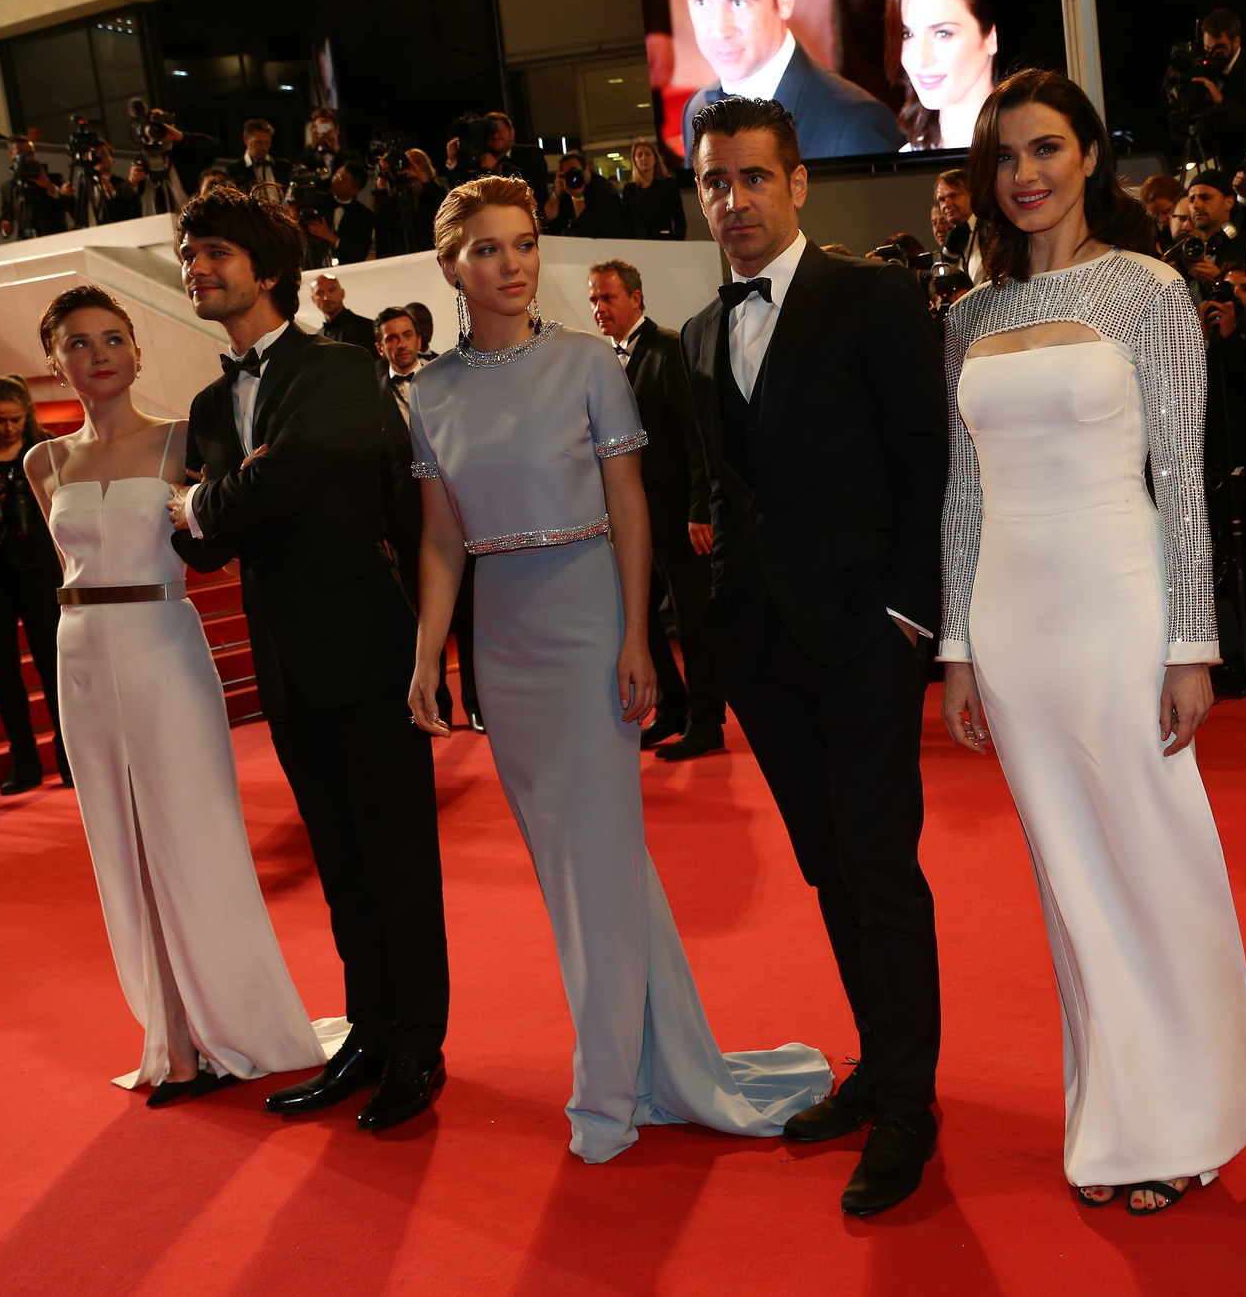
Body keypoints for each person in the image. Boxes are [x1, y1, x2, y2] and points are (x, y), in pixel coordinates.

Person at [404, 174, 830, 1161]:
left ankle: (604, 1092)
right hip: (501, 642)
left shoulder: (588, 363)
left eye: (523, 244)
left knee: (597, 860)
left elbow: (632, 505)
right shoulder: (426, 390)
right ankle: (660, 1060)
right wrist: (429, 653)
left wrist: (640, 635)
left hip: (590, 622)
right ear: (449, 265)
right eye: (488, 249)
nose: (511, 265)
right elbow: (437, 539)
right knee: (581, 872)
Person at [938, 65, 1246, 1216]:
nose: (1024, 174)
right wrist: (954, 649)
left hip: (1121, 600)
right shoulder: (968, 318)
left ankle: (1196, 1114)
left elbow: (1180, 478)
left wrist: (1193, 644)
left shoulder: (1146, 290)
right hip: (1010, 620)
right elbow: (961, 497)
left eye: (1045, 148)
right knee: (1069, 881)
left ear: (1088, 154)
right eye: (1004, 156)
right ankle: (1119, 1115)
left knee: (1154, 857)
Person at [678, 96, 946, 1214]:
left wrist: (907, 620)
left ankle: (907, 1109)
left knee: (879, 870)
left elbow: (927, 463)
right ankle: (875, 1067)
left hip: (864, 644)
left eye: (751, 178)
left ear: (797, 185)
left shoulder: (870, 298)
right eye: (714, 183)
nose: (733, 201)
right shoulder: (695, 337)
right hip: (764, 655)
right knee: (829, 870)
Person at [166, 185, 449, 1134]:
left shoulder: (336, 366)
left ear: (269, 270)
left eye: (214, 253)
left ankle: (419, 1046)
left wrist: (206, 501)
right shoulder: (211, 402)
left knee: (398, 856)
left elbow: (284, 474)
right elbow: (209, 547)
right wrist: (209, 508)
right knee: (338, 861)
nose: (197, 269)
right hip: (284, 663)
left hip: (369, 648)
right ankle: (368, 1032)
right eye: (189, 255)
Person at [24, 285, 337, 1103]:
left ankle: (229, 1017)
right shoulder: (42, 462)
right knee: (120, 843)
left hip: (163, 642)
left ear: (135, 351)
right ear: (53, 360)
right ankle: (174, 1039)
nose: (99, 354)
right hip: (82, 653)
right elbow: (68, 570)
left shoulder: (179, 442)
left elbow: (219, 534)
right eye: (79, 342)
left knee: (190, 832)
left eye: (113, 338)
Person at [587, 260, 721, 760]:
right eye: (595, 300)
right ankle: (672, 708)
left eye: (609, 298)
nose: (600, 308)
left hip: (681, 521)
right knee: (636, 618)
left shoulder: (668, 349)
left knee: (693, 623)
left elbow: (696, 437)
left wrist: (700, 508)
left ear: (637, 299)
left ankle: (707, 722)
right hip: (632, 523)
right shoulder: (603, 362)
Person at [679, 0, 904, 159]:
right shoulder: (696, 110)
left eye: (739, 2)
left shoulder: (856, 126)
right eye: (701, 2)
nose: (720, 30)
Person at [0, 376, 69, 794]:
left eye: (15, 419)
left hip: (39, 567)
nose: (7, 428)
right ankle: (25, 764)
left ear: (28, 412)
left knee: (52, 666)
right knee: (3, 673)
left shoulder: (46, 446)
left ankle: (68, 758)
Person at [375, 306, 480, 733]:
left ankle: (477, 703)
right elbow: (374, 470)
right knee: (424, 618)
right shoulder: (370, 397)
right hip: (405, 524)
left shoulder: (447, 379)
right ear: (380, 346)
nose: (400, 344)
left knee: (472, 615)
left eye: (406, 335)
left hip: (459, 514)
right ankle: (437, 706)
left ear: (419, 338)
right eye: (391, 338)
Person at [885, 0, 996, 152]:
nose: (920, 59)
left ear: (991, 35)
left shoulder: (1023, 161)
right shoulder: (906, 158)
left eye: (943, 33)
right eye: (907, 34)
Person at [1189, 8, 1246, 165]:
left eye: (1218, 50)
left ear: (1236, 42)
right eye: (1207, 49)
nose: (1210, 56)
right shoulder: (1207, 65)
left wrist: (1221, 101)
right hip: (1217, 154)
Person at [372, 148, 448, 258]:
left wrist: (425, 180)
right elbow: (382, 223)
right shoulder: (393, 196)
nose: (411, 166)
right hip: (397, 255)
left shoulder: (433, 192)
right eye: (407, 162)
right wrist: (383, 184)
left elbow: (444, 207)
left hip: (431, 255)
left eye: (417, 162)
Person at [542, 151, 628, 238]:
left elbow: (588, 231)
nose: (573, 177)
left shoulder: (605, 192)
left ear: (587, 169)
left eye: (574, 171)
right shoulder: (566, 188)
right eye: (567, 174)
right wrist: (556, 194)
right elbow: (548, 219)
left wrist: (577, 197)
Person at [304, 160, 374, 266]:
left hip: (347, 269)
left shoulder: (365, 216)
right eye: (336, 174)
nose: (334, 180)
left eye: (341, 179)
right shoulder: (318, 203)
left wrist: (332, 238)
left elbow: (359, 254)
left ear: (354, 190)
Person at [619, 138, 686, 239]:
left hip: (665, 242)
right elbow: (626, 223)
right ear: (634, 160)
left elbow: (679, 219)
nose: (643, 158)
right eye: (639, 155)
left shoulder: (668, 184)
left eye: (648, 154)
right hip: (639, 244)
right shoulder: (629, 189)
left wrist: (677, 243)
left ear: (655, 159)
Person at [310, 274, 375, 350]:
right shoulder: (318, 338)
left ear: (342, 293)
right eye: (319, 293)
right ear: (313, 299)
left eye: (331, 290)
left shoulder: (368, 328)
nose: (326, 298)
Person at [227, 119, 291, 193]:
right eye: (258, 142)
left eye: (267, 143)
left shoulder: (285, 167)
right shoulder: (234, 170)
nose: (264, 147)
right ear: (246, 140)